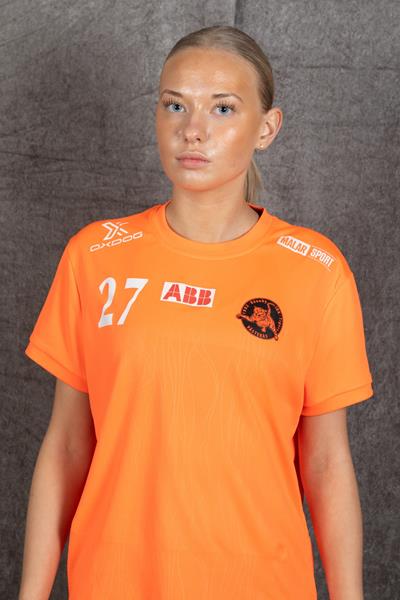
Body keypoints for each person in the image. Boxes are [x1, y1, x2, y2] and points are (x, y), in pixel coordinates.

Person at [19, 25, 374, 600]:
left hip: (262, 583)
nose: (193, 129)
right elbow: (66, 446)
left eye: (223, 108)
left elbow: (327, 463)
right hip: (115, 583)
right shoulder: (95, 255)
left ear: (267, 128)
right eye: (175, 104)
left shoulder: (316, 269)